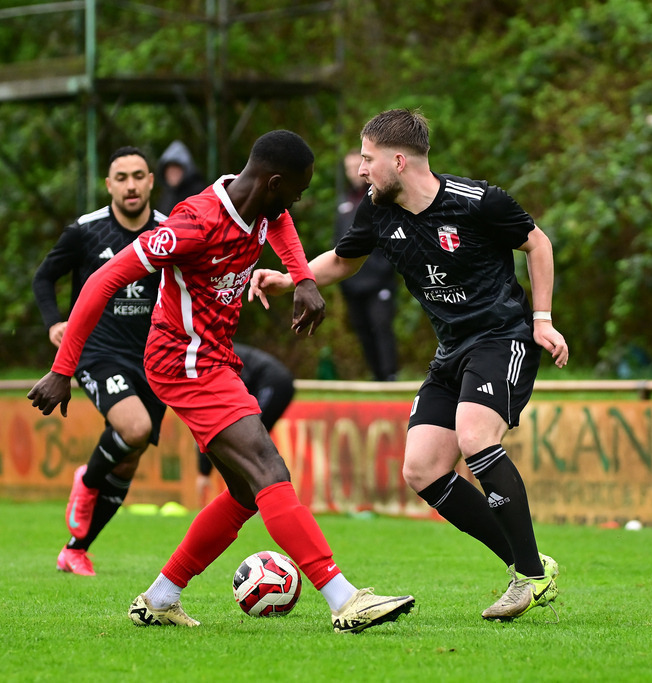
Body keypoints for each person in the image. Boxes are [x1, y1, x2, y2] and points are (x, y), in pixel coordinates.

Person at [27, 129, 414, 633]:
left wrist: (301, 277)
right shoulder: (191, 225)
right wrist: (62, 370)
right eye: (295, 191)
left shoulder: (261, 204)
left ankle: (161, 596)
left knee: (246, 491)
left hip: (213, 358)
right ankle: (344, 599)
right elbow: (103, 279)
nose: (295, 201)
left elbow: (281, 222)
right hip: (183, 362)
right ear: (273, 182)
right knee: (268, 470)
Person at [251, 109, 568, 621]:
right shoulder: (377, 211)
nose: (361, 170)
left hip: (501, 337)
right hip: (451, 351)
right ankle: (529, 566)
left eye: (369, 158)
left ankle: (530, 576)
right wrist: (291, 277)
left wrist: (542, 319)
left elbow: (537, 242)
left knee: (473, 436)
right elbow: (343, 259)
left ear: (398, 160)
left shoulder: (478, 201)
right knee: (421, 468)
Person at [32, 146, 169, 577]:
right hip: (98, 351)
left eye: (138, 176)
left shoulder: (170, 232)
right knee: (135, 429)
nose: (130, 185)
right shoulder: (85, 232)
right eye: (121, 177)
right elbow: (43, 278)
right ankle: (87, 482)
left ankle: (76, 549)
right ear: (109, 185)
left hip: (153, 358)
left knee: (129, 456)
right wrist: (55, 323)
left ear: (151, 182)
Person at [196, 342, 295, 505]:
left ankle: (267, 497)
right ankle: (260, 494)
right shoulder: (211, 351)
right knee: (250, 441)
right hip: (277, 380)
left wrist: (203, 472)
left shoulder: (212, 355)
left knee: (251, 440)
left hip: (273, 382)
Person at [335, 149, 399, 381]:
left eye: (357, 166)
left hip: (379, 281)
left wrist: (382, 270)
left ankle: (390, 376)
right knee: (362, 330)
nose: (354, 172)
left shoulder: (381, 197)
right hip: (352, 283)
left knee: (381, 326)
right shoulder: (344, 202)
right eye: (349, 168)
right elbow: (338, 243)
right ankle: (377, 377)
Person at [155, 140, 206, 214]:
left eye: (176, 169)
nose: (173, 174)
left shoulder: (198, 194)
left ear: (186, 170)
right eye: (170, 170)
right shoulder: (166, 195)